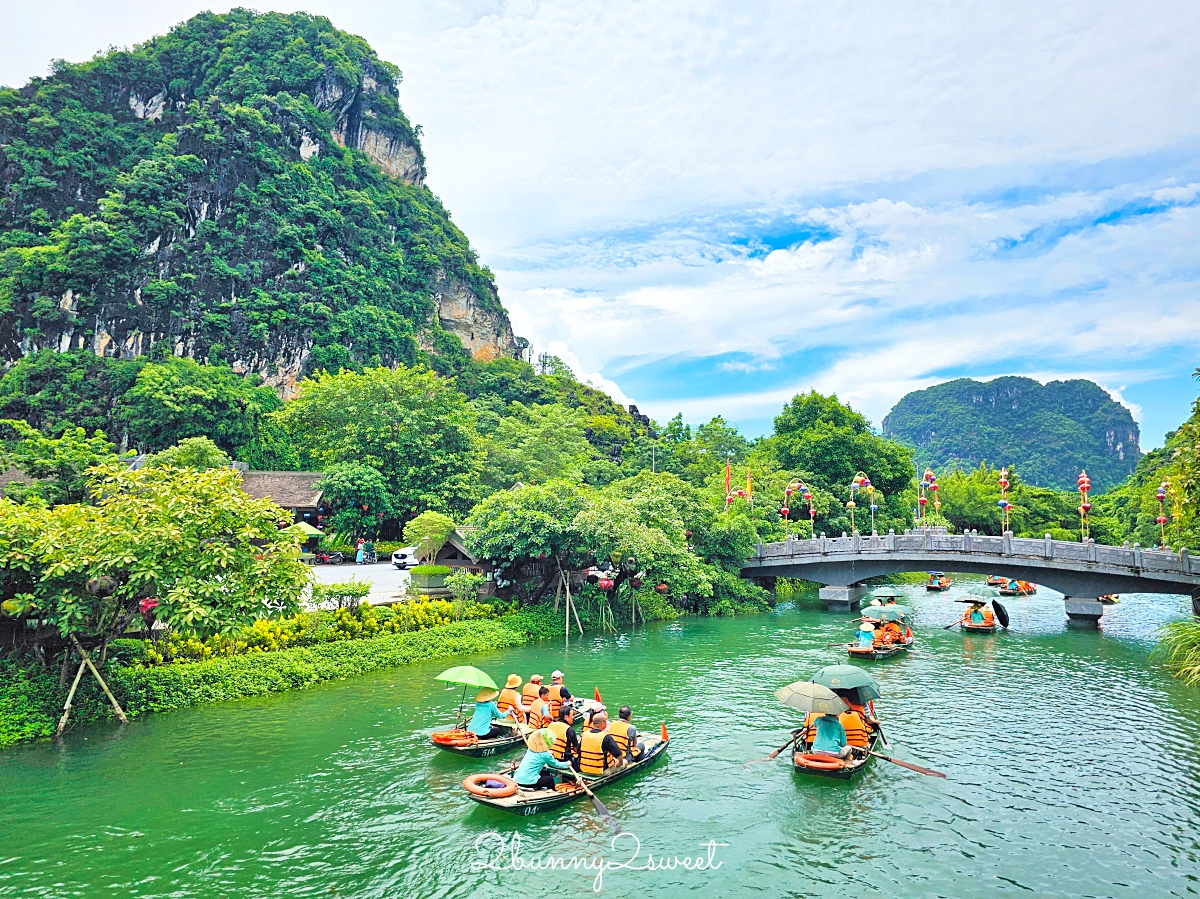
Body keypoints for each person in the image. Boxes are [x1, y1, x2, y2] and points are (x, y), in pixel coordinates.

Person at [578, 710, 627, 776]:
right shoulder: (605, 736)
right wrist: (620, 763)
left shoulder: (584, 735)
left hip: (584, 769)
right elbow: (619, 754)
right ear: (602, 723)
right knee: (625, 762)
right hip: (601, 772)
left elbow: (578, 751)